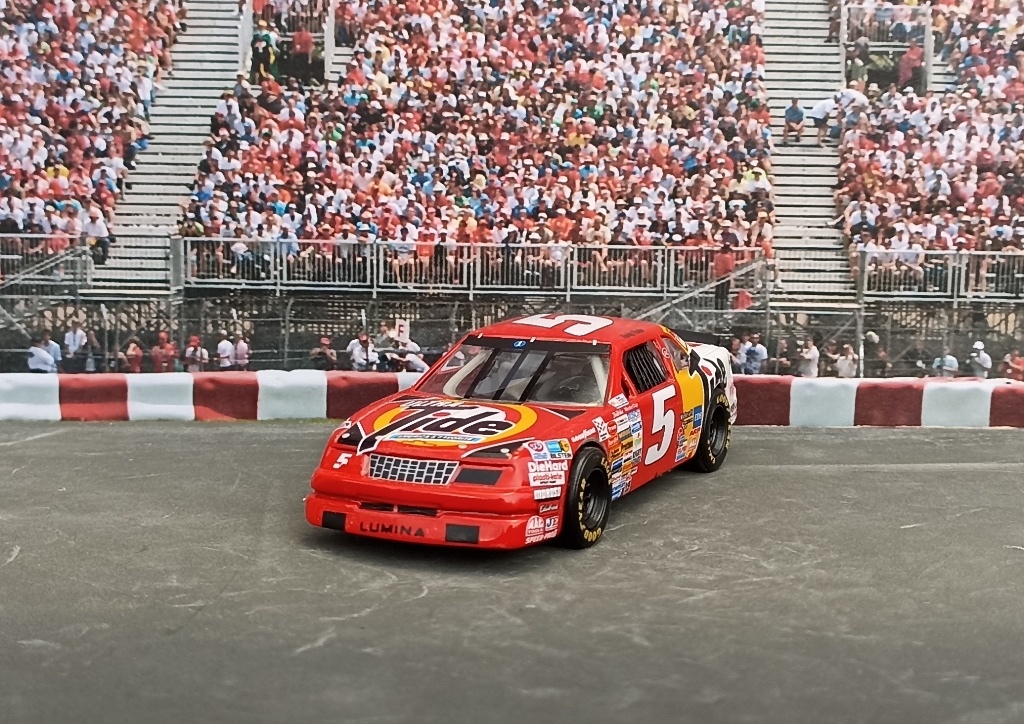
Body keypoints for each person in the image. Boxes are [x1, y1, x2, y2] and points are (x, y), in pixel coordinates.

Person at [713, 243, 736, 310]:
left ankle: (717, 306)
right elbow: (729, 268)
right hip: (725, 276)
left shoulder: (717, 256)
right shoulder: (728, 257)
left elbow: (715, 266)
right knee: (724, 293)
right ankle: (723, 307)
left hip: (718, 276)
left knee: (718, 292)